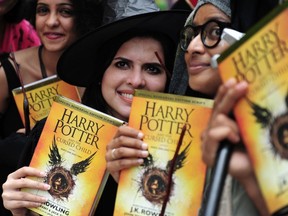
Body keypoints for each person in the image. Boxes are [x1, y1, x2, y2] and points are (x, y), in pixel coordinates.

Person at [1, 10, 190, 216]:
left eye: (152, 69)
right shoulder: (52, 133)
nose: (136, 81)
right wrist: (20, 212)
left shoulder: (187, 149)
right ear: (101, 74)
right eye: (122, 64)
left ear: (169, 80)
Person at [0, 0, 104, 215]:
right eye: (43, 10)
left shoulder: (103, 78)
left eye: (65, 11)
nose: (51, 21)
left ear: (85, 17)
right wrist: (15, 144)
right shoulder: (7, 71)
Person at [169, 0, 270, 215]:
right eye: (191, 34)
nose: (193, 47)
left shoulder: (278, 132)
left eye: (215, 31)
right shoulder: (179, 138)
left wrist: (250, 179)